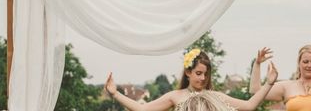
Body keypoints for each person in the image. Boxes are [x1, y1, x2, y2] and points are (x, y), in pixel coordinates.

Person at [105, 49, 278, 111]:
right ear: (188, 72)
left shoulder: (215, 96)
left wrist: (269, 83)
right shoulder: (175, 96)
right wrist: (115, 94)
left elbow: (249, 105)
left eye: (205, 74)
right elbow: (143, 110)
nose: (203, 78)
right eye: (198, 73)